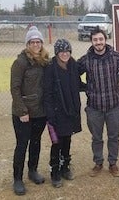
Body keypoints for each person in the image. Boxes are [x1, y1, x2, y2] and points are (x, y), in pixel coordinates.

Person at [77, 28, 119, 177]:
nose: (98, 42)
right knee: (96, 137)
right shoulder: (86, 60)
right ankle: (98, 162)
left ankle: (112, 163)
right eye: (95, 40)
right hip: (94, 107)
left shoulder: (116, 57)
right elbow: (72, 73)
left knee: (113, 136)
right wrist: (84, 87)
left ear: (105, 40)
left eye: (101, 39)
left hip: (113, 105)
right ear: (92, 41)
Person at [10, 26, 50, 195]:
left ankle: (32, 170)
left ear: (41, 43)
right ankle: (17, 179)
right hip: (24, 113)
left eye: (38, 41)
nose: (35, 44)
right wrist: (22, 111)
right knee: (22, 144)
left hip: (40, 111)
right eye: (32, 42)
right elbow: (15, 88)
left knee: (35, 143)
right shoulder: (20, 63)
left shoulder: (45, 61)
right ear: (27, 44)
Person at [43, 39, 83, 188]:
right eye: (61, 51)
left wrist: (92, 87)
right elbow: (47, 93)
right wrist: (50, 114)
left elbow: (78, 84)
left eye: (67, 51)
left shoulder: (73, 65)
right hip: (57, 112)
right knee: (57, 142)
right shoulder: (50, 67)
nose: (65, 54)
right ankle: (55, 171)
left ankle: (65, 166)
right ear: (57, 53)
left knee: (67, 140)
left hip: (70, 110)